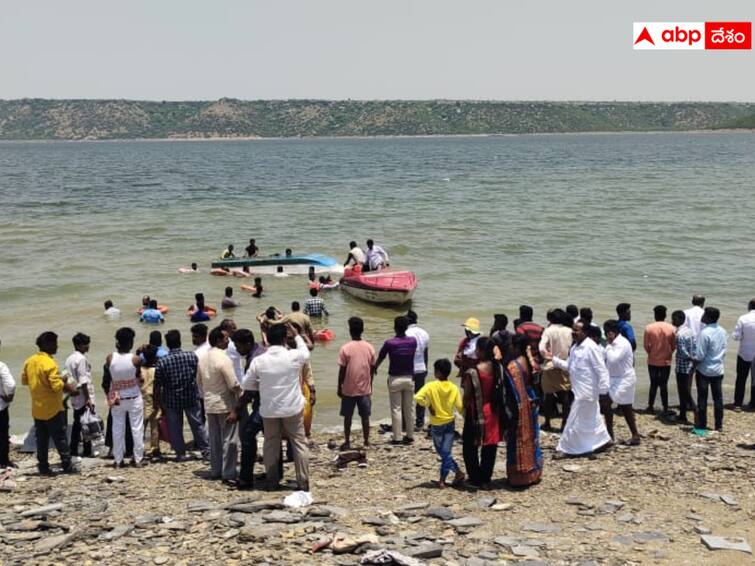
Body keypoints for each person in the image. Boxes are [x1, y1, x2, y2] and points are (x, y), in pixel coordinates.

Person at [242, 323, 311, 492]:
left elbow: (247, 384)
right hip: (292, 407)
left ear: (268, 340)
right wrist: (297, 335)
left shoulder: (259, 361)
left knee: (271, 444)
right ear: (283, 339)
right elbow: (306, 352)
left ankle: (272, 481)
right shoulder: (293, 356)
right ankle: (303, 482)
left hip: (269, 409)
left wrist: (264, 385)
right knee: (299, 444)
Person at [551, 321, 612, 457]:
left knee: (575, 420)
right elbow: (569, 366)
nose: (574, 332)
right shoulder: (574, 348)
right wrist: (553, 360)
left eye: (577, 330)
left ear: (585, 332)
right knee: (592, 419)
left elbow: (601, 370)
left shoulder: (591, 347)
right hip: (578, 390)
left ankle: (567, 449)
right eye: (573, 329)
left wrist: (604, 392)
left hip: (588, 392)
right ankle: (604, 441)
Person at [22, 332, 79, 475]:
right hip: (53, 408)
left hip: (37, 408)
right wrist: (67, 384)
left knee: (41, 439)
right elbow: (56, 386)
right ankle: (68, 466)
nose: (57, 346)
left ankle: (43, 467)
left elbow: (24, 380)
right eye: (55, 343)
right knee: (60, 438)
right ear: (47, 344)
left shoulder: (30, 361)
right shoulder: (50, 363)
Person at [155, 329, 209, 461]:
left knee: (175, 428)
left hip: (171, 400)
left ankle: (180, 454)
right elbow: (199, 375)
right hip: (191, 396)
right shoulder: (191, 356)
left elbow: (157, 386)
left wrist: (158, 403)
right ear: (179, 341)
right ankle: (206, 451)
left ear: (167, 344)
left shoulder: (162, 362)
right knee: (197, 425)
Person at [199, 326, 242, 483]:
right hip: (225, 403)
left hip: (209, 403)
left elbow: (199, 382)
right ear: (218, 341)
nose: (228, 340)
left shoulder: (203, 358)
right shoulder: (224, 358)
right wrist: (242, 396)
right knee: (229, 440)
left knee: (215, 439)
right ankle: (228, 472)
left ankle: (215, 469)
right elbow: (233, 383)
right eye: (225, 338)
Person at [414, 358, 465, 488]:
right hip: (449, 422)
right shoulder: (454, 388)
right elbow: (459, 407)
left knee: (443, 452)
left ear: (438, 372)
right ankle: (458, 472)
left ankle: (442, 479)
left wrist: (428, 404)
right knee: (445, 452)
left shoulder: (430, 386)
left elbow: (417, 397)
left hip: (436, 424)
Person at [502, 335, 544, 487]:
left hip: (519, 406)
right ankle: (533, 472)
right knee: (531, 438)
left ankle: (519, 476)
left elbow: (511, 394)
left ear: (514, 347)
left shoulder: (513, 367)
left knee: (516, 441)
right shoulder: (528, 361)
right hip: (530, 402)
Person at [461, 337, 500, 487]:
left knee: (469, 446)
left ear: (481, 351)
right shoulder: (498, 367)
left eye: (477, 348)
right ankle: (486, 477)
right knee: (490, 446)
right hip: (494, 410)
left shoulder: (473, 372)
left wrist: (464, 408)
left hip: (476, 412)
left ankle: (475, 478)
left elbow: (467, 395)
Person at [374, 316, 418, 445]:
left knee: (396, 409)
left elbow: (381, 357)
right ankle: (410, 436)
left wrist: (375, 368)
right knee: (409, 408)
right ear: (406, 327)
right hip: (409, 378)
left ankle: (397, 437)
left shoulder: (390, 343)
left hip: (395, 378)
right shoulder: (413, 341)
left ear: (394, 327)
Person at [106, 327, 145, 468]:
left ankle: (118, 460)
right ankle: (138, 459)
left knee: (117, 428)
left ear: (117, 342)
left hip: (117, 398)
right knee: (137, 428)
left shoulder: (110, 358)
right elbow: (138, 377)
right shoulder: (136, 359)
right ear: (131, 342)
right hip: (134, 397)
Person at [233, 328, 266, 489]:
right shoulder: (259, 349)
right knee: (271, 437)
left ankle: (246, 479)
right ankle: (276, 472)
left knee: (247, 434)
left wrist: (237, 408)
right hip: (269, 401)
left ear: (247, 343)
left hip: (263, 403)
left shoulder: (254, 359)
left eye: (238, 346)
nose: (237, 350)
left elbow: (250, 391)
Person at [337, 317, 376, 450]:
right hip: (365, 389)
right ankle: (366, 441)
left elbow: (342, 370)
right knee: (365, 417)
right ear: (362, 330)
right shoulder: (369, 347)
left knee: (347, 418)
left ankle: (347, 441)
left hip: (348, 389)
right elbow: (372, 369)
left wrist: (339, 386)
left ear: (350, 331)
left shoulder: (345, 348)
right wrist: (371, 384)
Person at [603, 320, 641, 445]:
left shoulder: (621, 343)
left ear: (611, 332)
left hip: (624, 379)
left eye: (606, 332)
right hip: (614, 378)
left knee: (606, 402)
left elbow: (613, 359)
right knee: (626, 408)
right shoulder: (612, 343)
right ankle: (635, 436)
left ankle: (610, 435)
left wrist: (608, 345)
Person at [693, 307, 728, 432]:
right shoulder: (723, 331)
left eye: (704, 315)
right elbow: (724, 350)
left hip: (704, 370)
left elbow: (700, 355)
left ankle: (702, 425)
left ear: (708, 317)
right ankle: (718, 425)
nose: (702, 317)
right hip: (718, 369)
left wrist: (692, 364)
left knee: (702, 398)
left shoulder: (705, 332)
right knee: (718, 398)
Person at [538, 309, 573, 431]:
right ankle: (564, 423)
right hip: (565, 365)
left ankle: (547, 422)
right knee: (565, 396)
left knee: (548, 395)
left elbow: (541, 347)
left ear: (550, 319)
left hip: (550, 365)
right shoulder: (569, 331)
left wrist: (547, 356)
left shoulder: (548, 330)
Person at [643, 305, 677, 416]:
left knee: (653, 384)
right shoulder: (672, 328)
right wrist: (668, 353)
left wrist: (652, 353)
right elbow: (674, 346)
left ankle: (650, 406)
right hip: (666, 361)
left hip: (652, 360)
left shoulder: (649, 328)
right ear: (665, 315)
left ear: (655, 315)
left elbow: (646, 346)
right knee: (664, 384)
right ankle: (665, 407)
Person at [65, 333, 95, 458]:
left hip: (74, 394)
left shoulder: (70, 358)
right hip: (83, 394)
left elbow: (67, 377)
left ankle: (74, 449)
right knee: (86, 423)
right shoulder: (81, 359)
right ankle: (86, 450)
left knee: (78, 421)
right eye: (85, 344)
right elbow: (84, 381)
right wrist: (88, 398)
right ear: (79, 345)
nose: (87, 346)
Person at [671, 310, 698, 425]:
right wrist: (694, 359)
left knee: (684, 392)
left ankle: (696, 410)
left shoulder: (680, 334)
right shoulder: (690, 331)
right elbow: (695, 346)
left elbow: (682, 352)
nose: (672, 321)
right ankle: (682, 415)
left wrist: (690, 358)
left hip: (682, 367)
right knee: (684, 391)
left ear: (679, 320)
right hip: (690, 366)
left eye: (674, 319)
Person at [406, 310, 430, 431]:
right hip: (421, 368)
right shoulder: (424, 333)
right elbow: (425, 353)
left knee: (407, 397)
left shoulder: (406, 333)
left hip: (409, 369)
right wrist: (426, 367)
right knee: (420, 396)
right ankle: (420, 422)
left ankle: (407, 423)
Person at [732, 299, 755, 411]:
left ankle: (738, 404)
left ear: (749, 306)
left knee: (741, 379)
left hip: (744, 353)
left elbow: (736, 336)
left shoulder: (743, 318)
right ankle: (753, 403)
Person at [140, 344, 162, 459]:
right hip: (154, 398)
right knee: (154, 426)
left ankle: (139, 447)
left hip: (142, 398)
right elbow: (158, 387)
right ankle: (155, 448)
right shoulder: (156, 370)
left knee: (141, 426)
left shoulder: (140, 370)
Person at [0, 338, 17, 468]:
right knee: (3, 434)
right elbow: (11, 384)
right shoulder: (1, 365)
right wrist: (9, 396)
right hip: (1, 406)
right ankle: (3, 461)